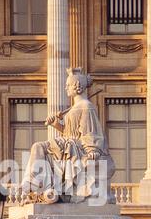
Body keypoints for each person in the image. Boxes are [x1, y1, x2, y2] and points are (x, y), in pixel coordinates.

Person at [21, 67, 115, 203]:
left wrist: (93, 150)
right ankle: (34, 186)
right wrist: (56, 125)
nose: (66, 88)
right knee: (38, 147)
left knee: (39, 147)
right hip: (68, 145)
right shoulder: (76, 107)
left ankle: (32, 185)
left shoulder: (86, 106)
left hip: (76, 147)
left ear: (77, 86)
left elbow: (91, 131)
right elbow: (69, 132)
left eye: (68, 85)